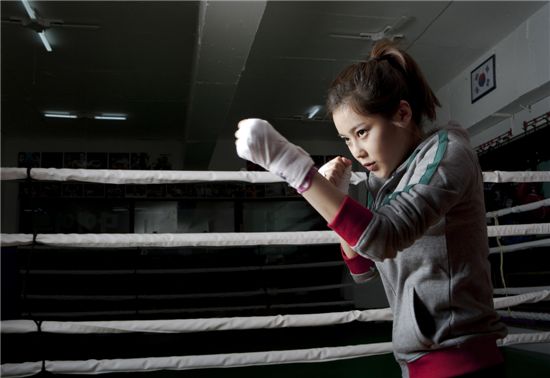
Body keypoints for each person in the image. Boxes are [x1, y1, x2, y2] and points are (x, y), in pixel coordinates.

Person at [235, 39, 507, 378]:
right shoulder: (386, 178)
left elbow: (383, 237)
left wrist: (292, 166)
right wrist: (340, 196)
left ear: (403, 114)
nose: (357, 150)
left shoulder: (447, 153)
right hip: (419, 359)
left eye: (362, 132)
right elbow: (361, 267)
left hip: (459, 358)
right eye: (347, 139)